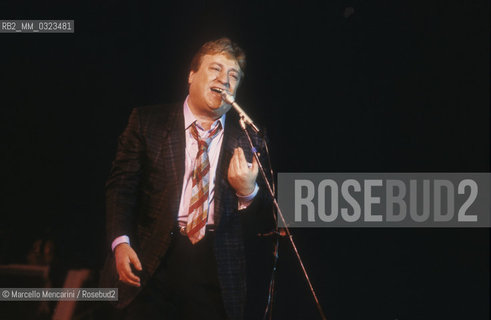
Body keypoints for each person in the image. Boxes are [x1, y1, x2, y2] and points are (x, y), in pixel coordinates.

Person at [99, 38, 273, 320]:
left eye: (233, 76)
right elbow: (121, 188)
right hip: (150, 259)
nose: (224, 80)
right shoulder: (148, 122)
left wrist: (247, 192)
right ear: (191, 75)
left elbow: (267, 218)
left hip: (215, 266)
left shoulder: (250, 136)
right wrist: (121, 242)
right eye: (215, 69)